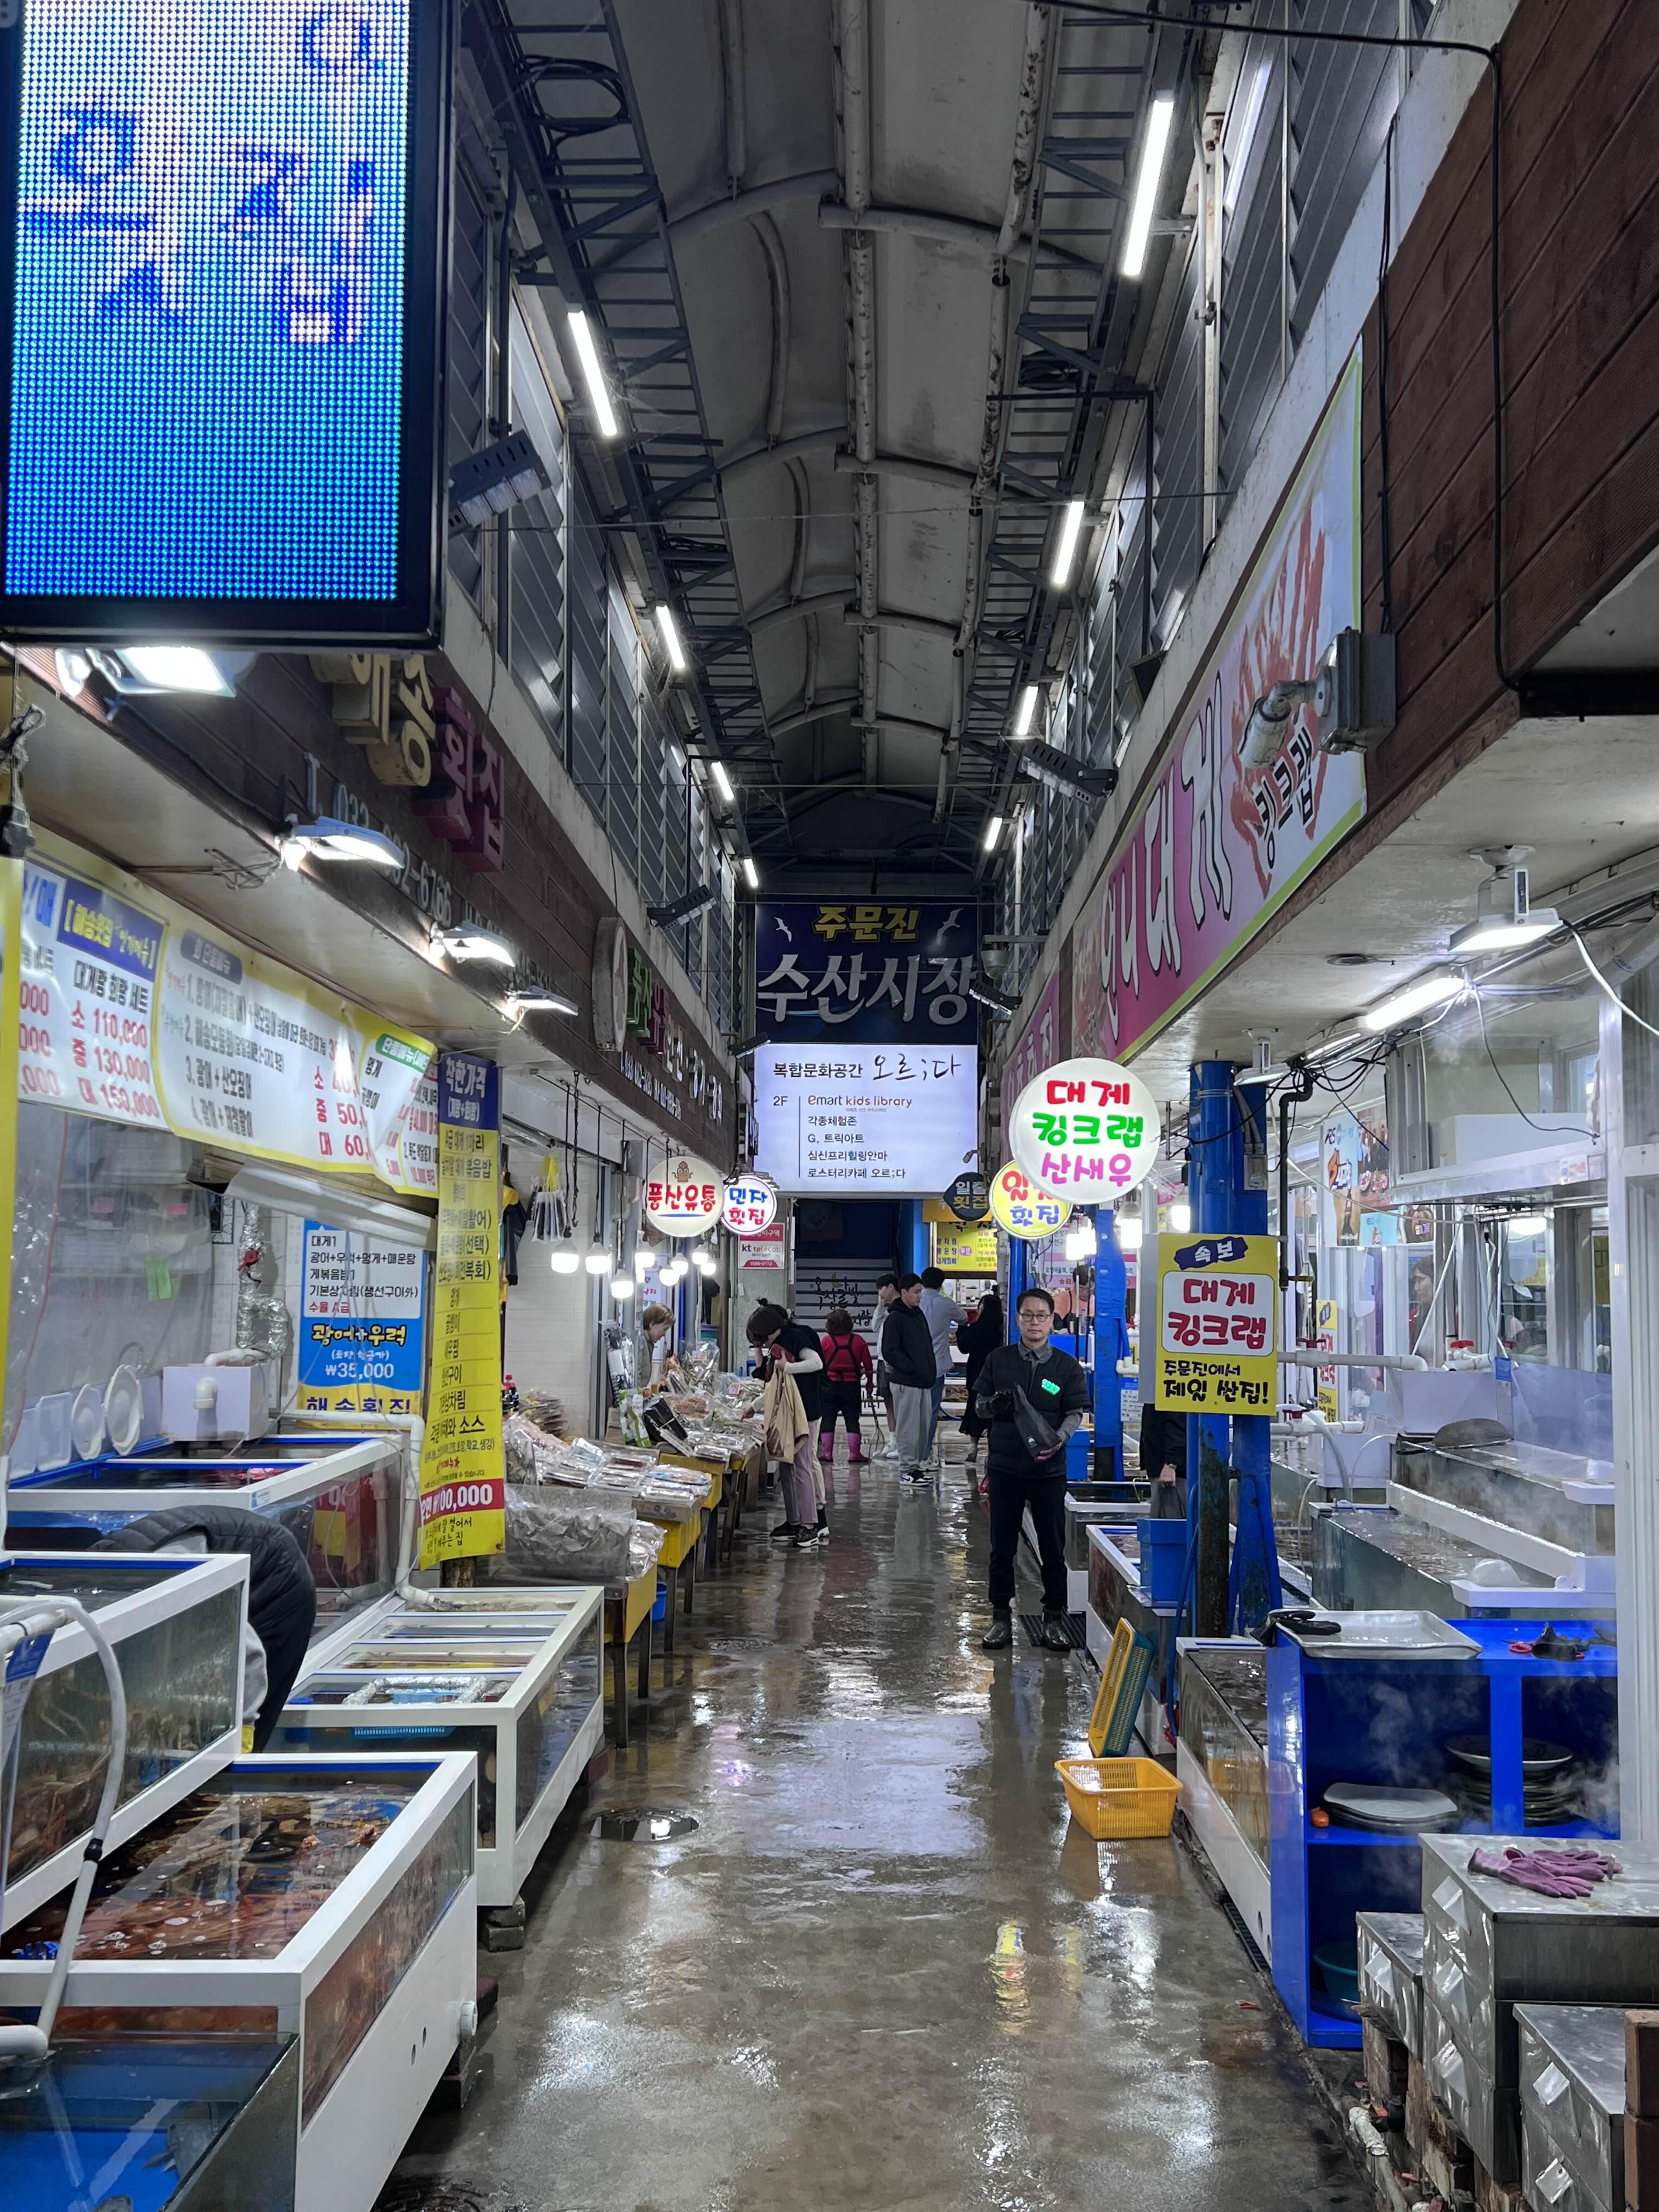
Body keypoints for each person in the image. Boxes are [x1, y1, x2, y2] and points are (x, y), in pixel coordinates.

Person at [975, 1285, 1091, 1651]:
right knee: (1002, 1547)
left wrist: (1060, 1439)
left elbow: (1075, 1411)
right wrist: (993, 1406)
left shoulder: (1066, 1367)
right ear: (1018, 1319)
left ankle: (1053, 1619)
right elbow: (979, 1405)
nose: (1035, 1322)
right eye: (1028, 1315)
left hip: (1049, 1471)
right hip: (1005, 1467)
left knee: (1053, 1548)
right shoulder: (999, 1360)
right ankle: (1000, 1619)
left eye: (1042, 1316)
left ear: (1052, 1320)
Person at [747, 1302, 828, 1547]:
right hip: (788, 1411)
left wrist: (788, 1367)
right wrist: (754, 1406)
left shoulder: (795, 1337)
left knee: (802, 1465)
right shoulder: (778, 1344)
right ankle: (794, 1521)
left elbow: (816, 1363)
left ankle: (809, 1526)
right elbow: (775, 1384)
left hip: (806, 1411)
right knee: (786, 1465)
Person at [882, 1274, 937, 1482]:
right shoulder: (895, 1318)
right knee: (908, 1427)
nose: (919, 1296)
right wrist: (911, 1368)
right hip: (906, 1382)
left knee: (922, 1428)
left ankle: (916, 1468)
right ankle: (907, 1470)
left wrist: (928, 1371)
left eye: (920, 1291)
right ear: (904, 1292)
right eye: (916, 1292)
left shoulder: (918, 1315)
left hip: (924, 1381)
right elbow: (890, 1351)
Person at [918, 1266, 967, 1459]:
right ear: (941, 1284)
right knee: (931, 1411)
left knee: (914, 1410)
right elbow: (963, 1318)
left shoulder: (916, 1301)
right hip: (937, 1365)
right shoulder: (946, 1304)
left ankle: (911, 1450)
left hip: (915, 1366)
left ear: (922, 1282)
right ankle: (925, 1452)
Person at [956, 1290, 1005, 1474]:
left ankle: (973, 1448)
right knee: (995, 1412)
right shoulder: (1002, 1330)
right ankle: (992, 1453)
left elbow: (963, 1347)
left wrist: (963, 1327)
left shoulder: (976, 1328)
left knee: (975, 1409)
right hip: (997, 1377)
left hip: (977, 1375)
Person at [819, 1307, 873, 1464]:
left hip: (829, 1386)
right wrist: (870, 1384)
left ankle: (827, 1454)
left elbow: (820, 1365)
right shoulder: (859, 1341)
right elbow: (868, 1365)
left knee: (828, 1419)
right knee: (852, 1419)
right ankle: (855, 1454)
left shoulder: (826, 1341)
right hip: (851, 1386)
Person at [867, 1272, 900, 1458]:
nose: (880, 1293)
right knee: (888, 1401)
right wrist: (880, 1306)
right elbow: (875, 1326)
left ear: (891, 1287)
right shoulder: (887, 1312)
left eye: (882, 1289)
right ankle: (893, 1440)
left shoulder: (899, 1311)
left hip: (893, 1363)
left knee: (898, 1403)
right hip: (882, 1361)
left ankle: (901, 1442)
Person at [640, 1302, 675, 1389]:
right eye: (665, 1329)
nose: (664, 1334)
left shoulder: (648, 1343)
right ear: (652, 1323)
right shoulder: (640, 1342)